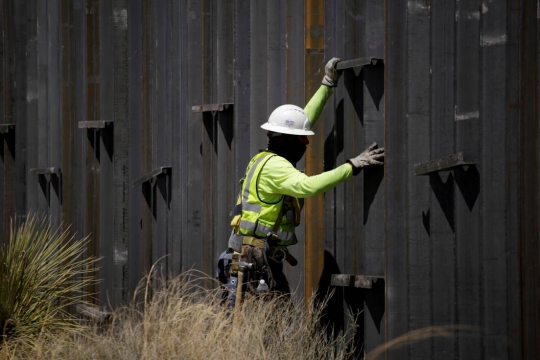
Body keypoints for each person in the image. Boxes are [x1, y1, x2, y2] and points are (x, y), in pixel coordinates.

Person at [218, 58, 385, 302]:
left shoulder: (264, 158)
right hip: (253, 262)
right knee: (260, 322)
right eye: (302, 139)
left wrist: (327, 85)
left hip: (251, 257)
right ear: (286, 140)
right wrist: (352, 165)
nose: (306, 143)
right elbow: (308, 186)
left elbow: (302, 119)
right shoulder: (277, 167)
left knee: (266, 322)